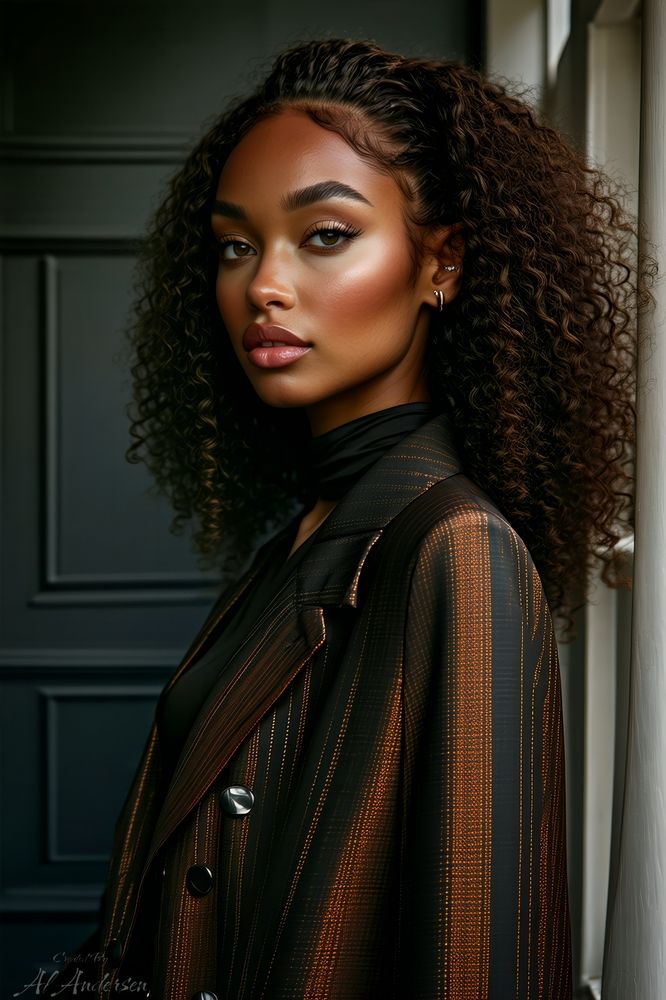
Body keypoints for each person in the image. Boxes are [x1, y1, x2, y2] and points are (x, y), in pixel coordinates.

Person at [48, 37, 643, 1000]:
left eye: (324, 234)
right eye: (236, 245)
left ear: (442, 262)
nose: (263, 286)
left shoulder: (457, 548)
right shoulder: (314, 530)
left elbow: (481, 960)